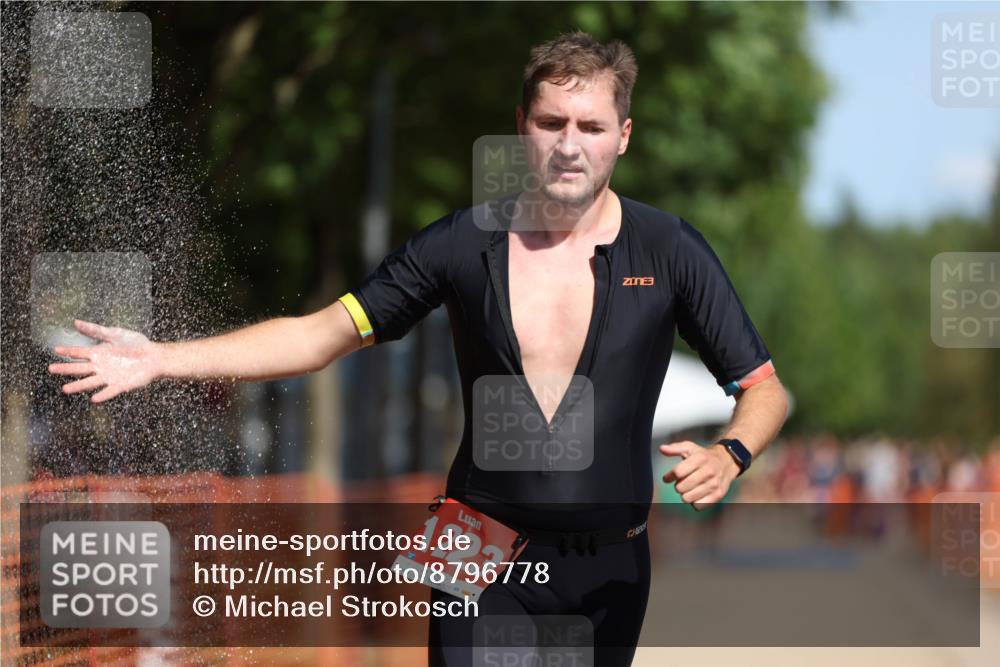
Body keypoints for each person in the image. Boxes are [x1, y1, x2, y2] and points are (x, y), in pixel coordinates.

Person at [49, 31, 789, 667]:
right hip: (474, 534)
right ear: (521, 127)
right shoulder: (463, 242)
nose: (570, 144)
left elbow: (763, 387)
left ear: (623, 135)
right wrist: (160, 357)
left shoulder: (669, 248)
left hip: (611, 553)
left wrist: (731, 454)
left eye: (591, 126)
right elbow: (319, 335)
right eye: (551, 121)